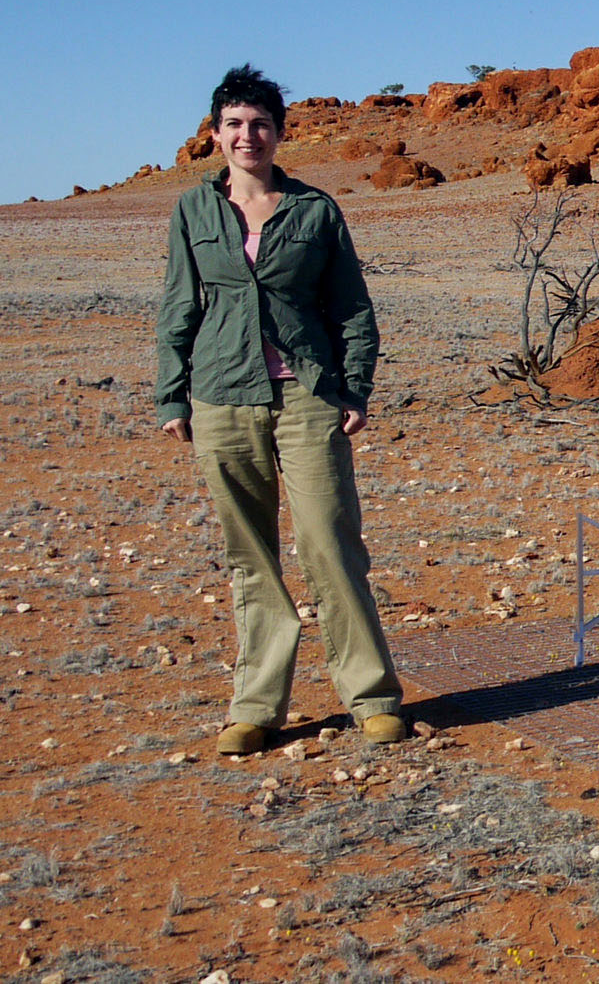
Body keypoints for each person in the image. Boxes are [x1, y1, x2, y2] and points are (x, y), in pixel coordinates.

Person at [156, 65, 405, 754]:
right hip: (221, 397)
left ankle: (372, 696)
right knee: (251, 556)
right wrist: (171, 392)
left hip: (307, 396)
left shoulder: (315, 210)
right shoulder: (193, 212)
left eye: (259, 123)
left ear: (279, 133)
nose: (247, 135)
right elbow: (179, 305)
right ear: (215, 135)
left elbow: (353, 308)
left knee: (330, 541)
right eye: (234, 124)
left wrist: (354, 388)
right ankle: (257, 706)